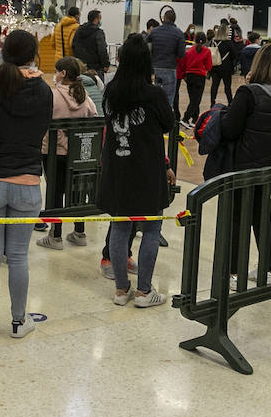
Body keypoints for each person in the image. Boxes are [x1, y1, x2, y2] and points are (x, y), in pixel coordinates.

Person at [0, 30, 52, 340]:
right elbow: (42, 130)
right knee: (18, 256)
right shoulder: (43, 91)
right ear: (32, 55)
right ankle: (19, 321)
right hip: (28, 181)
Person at [100, 33, 176, 307]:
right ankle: (144, 291)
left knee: (120, 227)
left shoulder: (111, 92)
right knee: (152, 228)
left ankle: (121, 290)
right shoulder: (153, 94)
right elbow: (168, 124)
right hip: (147, 170)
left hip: (118, 169)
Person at [219, 43, 271, 283]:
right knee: (262, 217)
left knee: (237, 218)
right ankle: (266, 270)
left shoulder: (248, 93)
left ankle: (233, 272)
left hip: (247, 165)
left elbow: (230, 129)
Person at [36, 55, 98, 250]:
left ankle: (55, 236)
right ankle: (79, 232)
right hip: (79, 153)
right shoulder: (84, 96)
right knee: (76, 191)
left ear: (62, 73)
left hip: (53, 151)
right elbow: (94, 117)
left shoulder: (52, 96)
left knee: (55, 193)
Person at [148, 9, 185, 106]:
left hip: (156, 68)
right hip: (170, 68)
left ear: (164, 18)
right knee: (168, 98)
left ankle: (154, 117)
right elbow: (181, 54)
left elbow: (146, 46)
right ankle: (166, 118)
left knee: (155, 96)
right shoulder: (179, 33)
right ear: (174, 20)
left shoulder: (154, 31)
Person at [179, 32, 213, 127]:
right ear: (205, 40)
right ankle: (185, 118)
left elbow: (184, 64)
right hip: (200, 77)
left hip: (189, 77)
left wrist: (183, 75)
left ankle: (195, 119)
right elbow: (209, 66)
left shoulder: (189, 51)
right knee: (196, 100)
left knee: (193, 98)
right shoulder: (207, 51)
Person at [71, 9, 110, 74]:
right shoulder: (98, 32)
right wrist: (106, 64)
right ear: (96, 19)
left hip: (81, 65)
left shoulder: (79, 30)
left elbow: (73, 46)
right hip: (96, 67)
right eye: (100, 18)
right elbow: (102, 50)